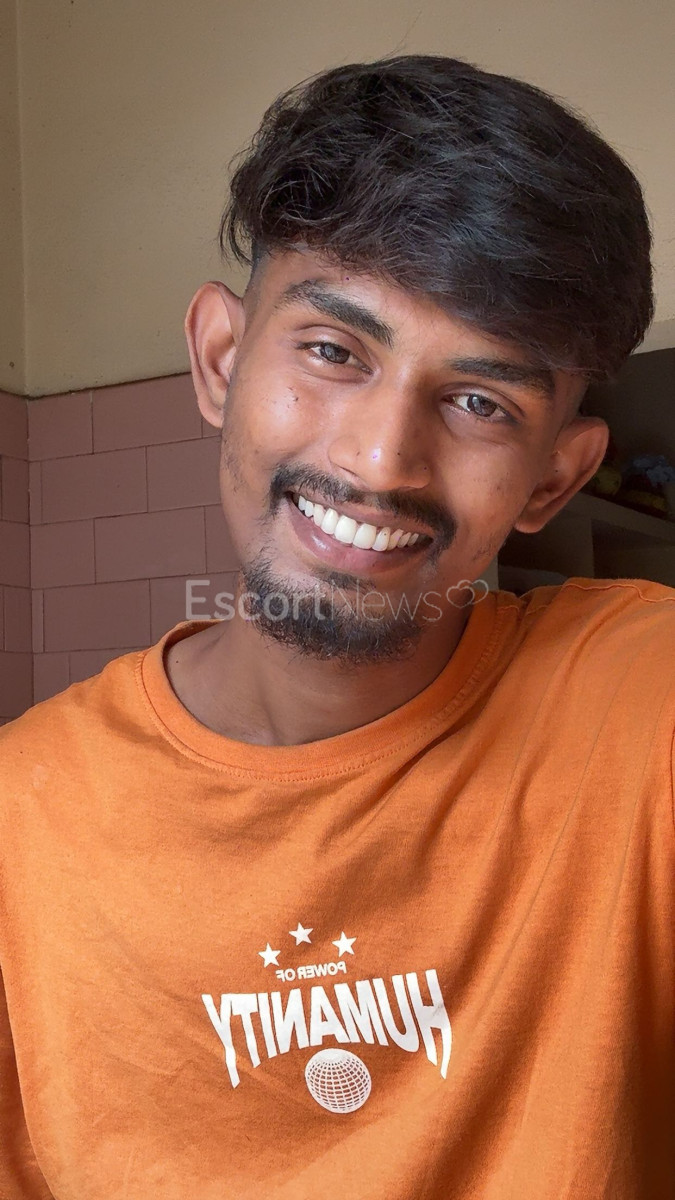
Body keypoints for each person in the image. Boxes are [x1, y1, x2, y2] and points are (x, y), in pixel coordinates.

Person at [0, 52, 672, 1199]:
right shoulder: (22, 820)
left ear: (556, 479)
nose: (379, 461)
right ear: (220, 360)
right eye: (331, 351)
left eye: (478, 402)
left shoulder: (636, 697)